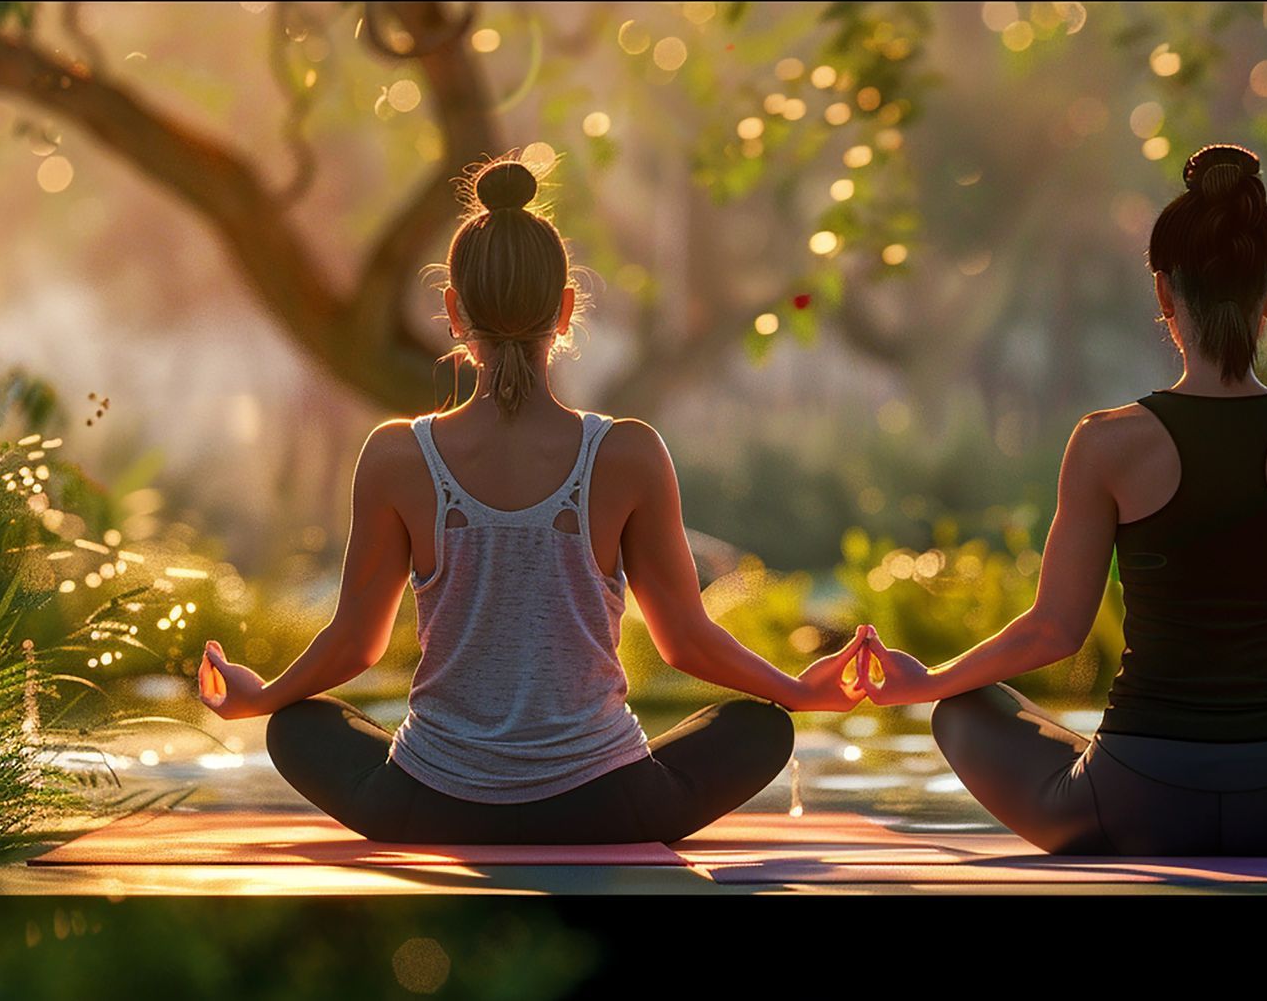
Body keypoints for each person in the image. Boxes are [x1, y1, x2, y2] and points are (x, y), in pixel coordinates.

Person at [847, 143, 1267, 857]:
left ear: (1165, 293)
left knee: (961, 709)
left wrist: (928, 681)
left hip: (1130, 805)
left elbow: (1053, 632)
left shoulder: (1105, 443)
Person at [197, 150, 870, 845]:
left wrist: (261, 696)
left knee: (297, 726)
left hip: (428, 805)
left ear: (454, 314)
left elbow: (356, 644)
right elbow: (685, 641)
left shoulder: (396, 455)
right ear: (567, 309)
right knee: (761, 727)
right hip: (611, 807)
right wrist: (798, 690)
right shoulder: (628, 452)